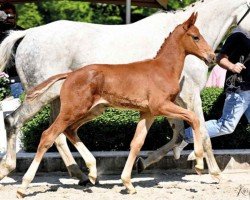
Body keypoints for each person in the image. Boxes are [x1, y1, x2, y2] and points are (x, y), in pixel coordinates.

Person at [174, 27, 250, 157]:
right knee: (226, 125)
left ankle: (199, 148)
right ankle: (184, 137)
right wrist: (232, 66)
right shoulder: (237, 36)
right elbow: (220, 57)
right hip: (239, 89)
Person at [0, 3, 24, 98]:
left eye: (10, 14)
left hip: (17, 79)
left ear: (15, 15)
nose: (9, 17)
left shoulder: (22, 33)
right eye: (5, 14)